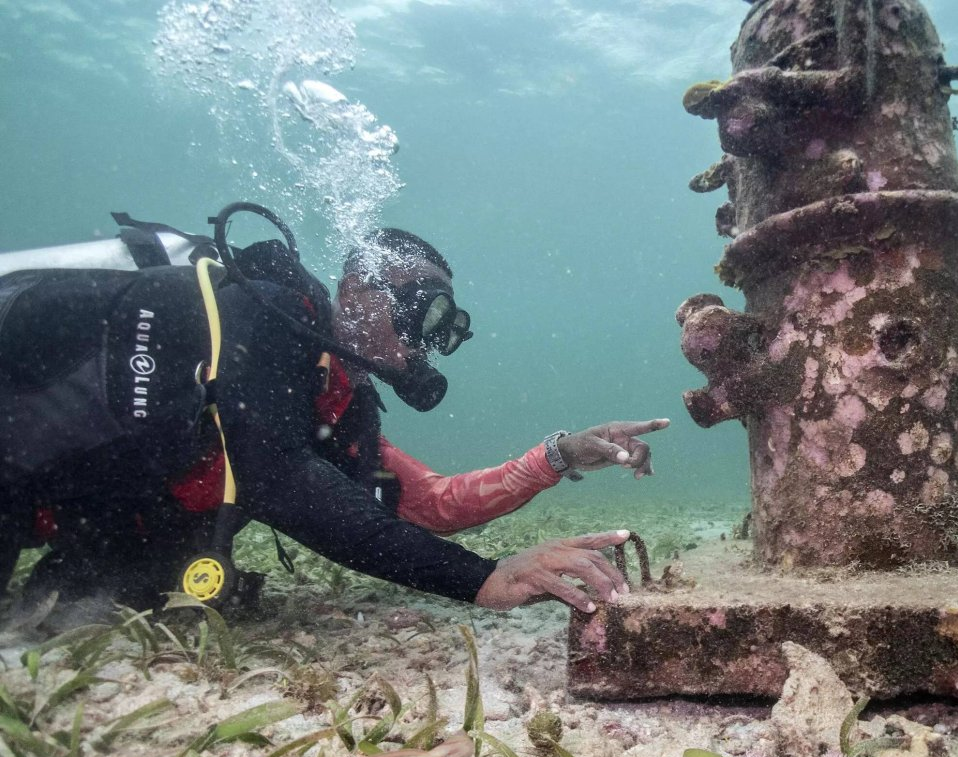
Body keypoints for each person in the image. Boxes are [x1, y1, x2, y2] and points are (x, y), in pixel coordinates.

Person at [0, 207, 669, 614]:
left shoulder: (332, 404)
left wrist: (560, 454)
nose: (425, 341)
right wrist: (482, 579)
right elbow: (279, 480)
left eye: (441, 326)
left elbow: (434, 502)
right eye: (422, 308)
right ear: (359, 291)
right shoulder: (264, 316)